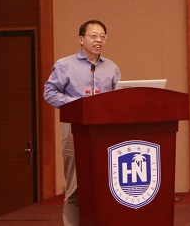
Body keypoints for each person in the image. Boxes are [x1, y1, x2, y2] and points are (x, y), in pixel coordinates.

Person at [44, 19, 121, 226]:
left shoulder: (112, 67)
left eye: (102, 37)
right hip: (74, 130)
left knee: (106, 185)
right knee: (75, 188)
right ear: (81, 39)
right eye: (93, 36)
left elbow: (118, 98)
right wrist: (77, 104)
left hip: (105, 132)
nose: (99, 40)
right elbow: (49, 93)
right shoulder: (65, 65)